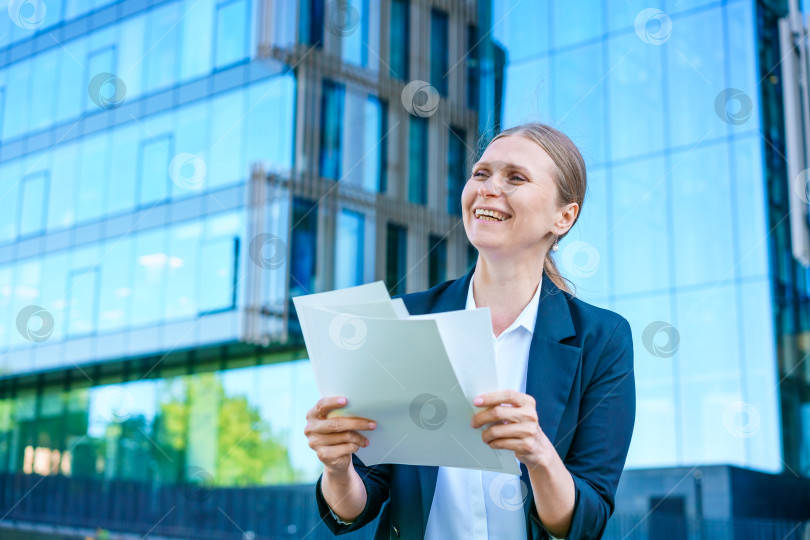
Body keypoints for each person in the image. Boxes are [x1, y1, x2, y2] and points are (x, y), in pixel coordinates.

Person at [304, 123, 636, 539]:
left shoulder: (602, 339)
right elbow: (359, 502)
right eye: (481, 173)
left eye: (515, 177)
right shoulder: (404, 318)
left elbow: (584, 522)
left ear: (564, 216)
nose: (488, 187)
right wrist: (336, 468)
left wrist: (538, 455)